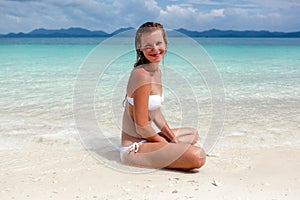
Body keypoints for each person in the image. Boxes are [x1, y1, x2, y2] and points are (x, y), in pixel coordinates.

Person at [120, 22, 206, 170]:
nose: (155, 49)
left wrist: (174, 142)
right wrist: (164, 144)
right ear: (140, 48)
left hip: (148, 140)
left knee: (193, 134)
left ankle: (170, 150)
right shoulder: (141, 75)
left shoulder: (156, 72)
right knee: (198, 157)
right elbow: (141, 128)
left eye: (158, 43)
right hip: (134, 148)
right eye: (148, 45)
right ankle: (167, 151)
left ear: (165, 43)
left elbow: (155, 112)